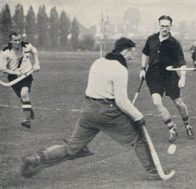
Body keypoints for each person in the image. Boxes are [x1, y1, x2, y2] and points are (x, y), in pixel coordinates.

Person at [21, 38, 160, 180]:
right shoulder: (120, 69)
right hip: (107, 112)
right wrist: (138, 116)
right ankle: (153, 172)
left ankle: (36, 158)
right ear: (126, 50)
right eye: (133, 52)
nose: (134, 55)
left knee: (72, 147)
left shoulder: (98, 61)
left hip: (88, 110)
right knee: (138, 138)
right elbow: (121, 101)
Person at [139, 15, 194, 143]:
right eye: (162, 26)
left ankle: (187, 125)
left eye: (167, 26)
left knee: (179, 103)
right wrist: (142, 68)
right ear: (159, 25)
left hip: (170, 75)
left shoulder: (174, 43)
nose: (164, 28)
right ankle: (172, 128)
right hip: (153, 75)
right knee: (157, 102)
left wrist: (183, 78)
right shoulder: (151, 39)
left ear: (171, 27)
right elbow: (145, 54)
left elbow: (182, 62)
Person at [0, 32, 40, 129]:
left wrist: (36, 63)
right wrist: (16, 73)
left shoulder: (27, 46)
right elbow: (2, 69)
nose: (18, 42)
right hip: (13, 79)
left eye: (19, 39)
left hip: (26, 75)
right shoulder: (5, 53)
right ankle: (28, 109)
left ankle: (27, 121)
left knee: (24, 94)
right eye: (15, 40)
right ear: (11, 41)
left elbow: (34, 51)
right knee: (22, 98)